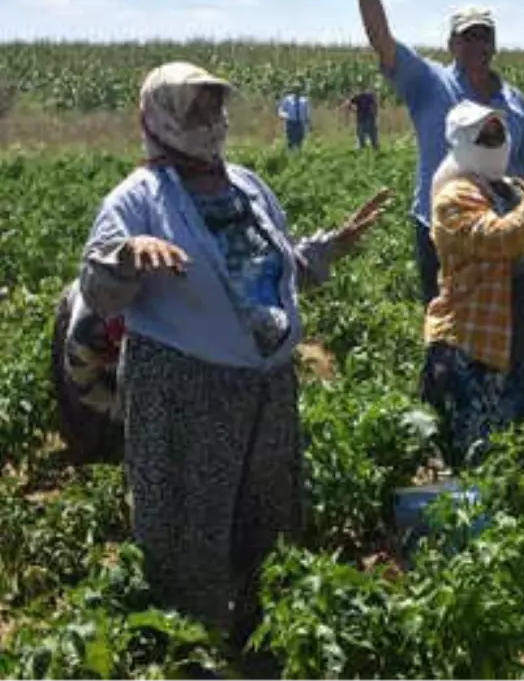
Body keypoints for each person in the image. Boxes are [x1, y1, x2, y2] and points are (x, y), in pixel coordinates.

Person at [78, 61, 391, 645]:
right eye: (196, 108)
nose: (211, 120)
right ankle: (189, 644)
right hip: (185, 389)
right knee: (188, 520)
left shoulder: (246, 184)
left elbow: (275, 268)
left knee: (265, 513)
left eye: (215, 106)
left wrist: (330, 248)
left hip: (265, 386)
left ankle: (259, 636)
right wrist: (129, 253)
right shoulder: (138, 197)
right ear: (162, 117)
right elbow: (97, 288)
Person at [349, 0, 524, 305]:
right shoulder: (430, 83)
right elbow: (382, 41)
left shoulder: (514, 101)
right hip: (442, 234)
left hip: (502, 232)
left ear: (495, 43)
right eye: (467, 35)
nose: (477, 43)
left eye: (484, 35)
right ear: (451, 43)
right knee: (447, 335)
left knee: (500, 332)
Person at [420, 101, 524, 468]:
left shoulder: (513, 186)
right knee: (482, 453)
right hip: (479, 342)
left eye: (500, 133)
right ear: (463, 142)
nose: (496, 141)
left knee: (518, 441)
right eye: (485, 135)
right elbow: (505, 238)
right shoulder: (454, 197)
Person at [50, 279, 125, 465]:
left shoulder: (149, 318)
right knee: (78, 408)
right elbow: (83, 384)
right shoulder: (83, 335)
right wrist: (120, 411)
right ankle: (85, 453)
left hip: (122, 299)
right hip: (78, 303)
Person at [277, 84, 312, 151]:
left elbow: (306, 114)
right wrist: (287, 115)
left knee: (299, 142)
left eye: (298, 90)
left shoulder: (304, 101)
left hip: (300, 124)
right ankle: (290, 157)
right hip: (290, 123)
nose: (297, 92)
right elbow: (280, 111)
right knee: (290, 142)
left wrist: (308, 124)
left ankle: (298, 157)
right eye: (295, 90)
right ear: (293, 90)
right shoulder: (288, 100)